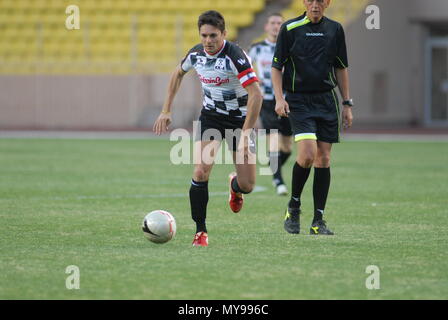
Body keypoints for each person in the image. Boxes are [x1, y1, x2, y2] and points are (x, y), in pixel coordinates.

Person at [153, 10, 263, 247]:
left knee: (248, 185)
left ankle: (235, 185)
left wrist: (245, 134)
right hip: (211, 118)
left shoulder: (235, 56)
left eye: (213, 35)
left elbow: (256, 96)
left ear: (224, 33)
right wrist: (166, 110)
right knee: (201, 171)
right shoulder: (196, 53)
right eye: (204, 35)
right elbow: (177, 73)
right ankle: (200, 231)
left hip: (239, 122)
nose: (208, 41)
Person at [271, 0, 354, 235]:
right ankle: (294, 207)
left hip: (327, 101)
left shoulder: (335, 29)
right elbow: (277, 67)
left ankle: (318, 221)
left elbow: (341, 67)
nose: (315, 4)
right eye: (310, 0)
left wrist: (347, 102)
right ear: (304, 2)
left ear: (327, 3)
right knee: (307, 155)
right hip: (298, 100)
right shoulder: (289, 28)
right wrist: (280, 98)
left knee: (324, 159)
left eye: (320, 0)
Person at [248, 13, 293, 196]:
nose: (276, 26)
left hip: (287, 100)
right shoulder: (256, 49)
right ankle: (278, 181)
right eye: (273, 23)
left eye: (279, 23)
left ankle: (273, 166)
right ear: (266, 27)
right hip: (266, 100)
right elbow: (246, 70)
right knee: (273, 141)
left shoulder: (290, 47)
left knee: (288, 148)